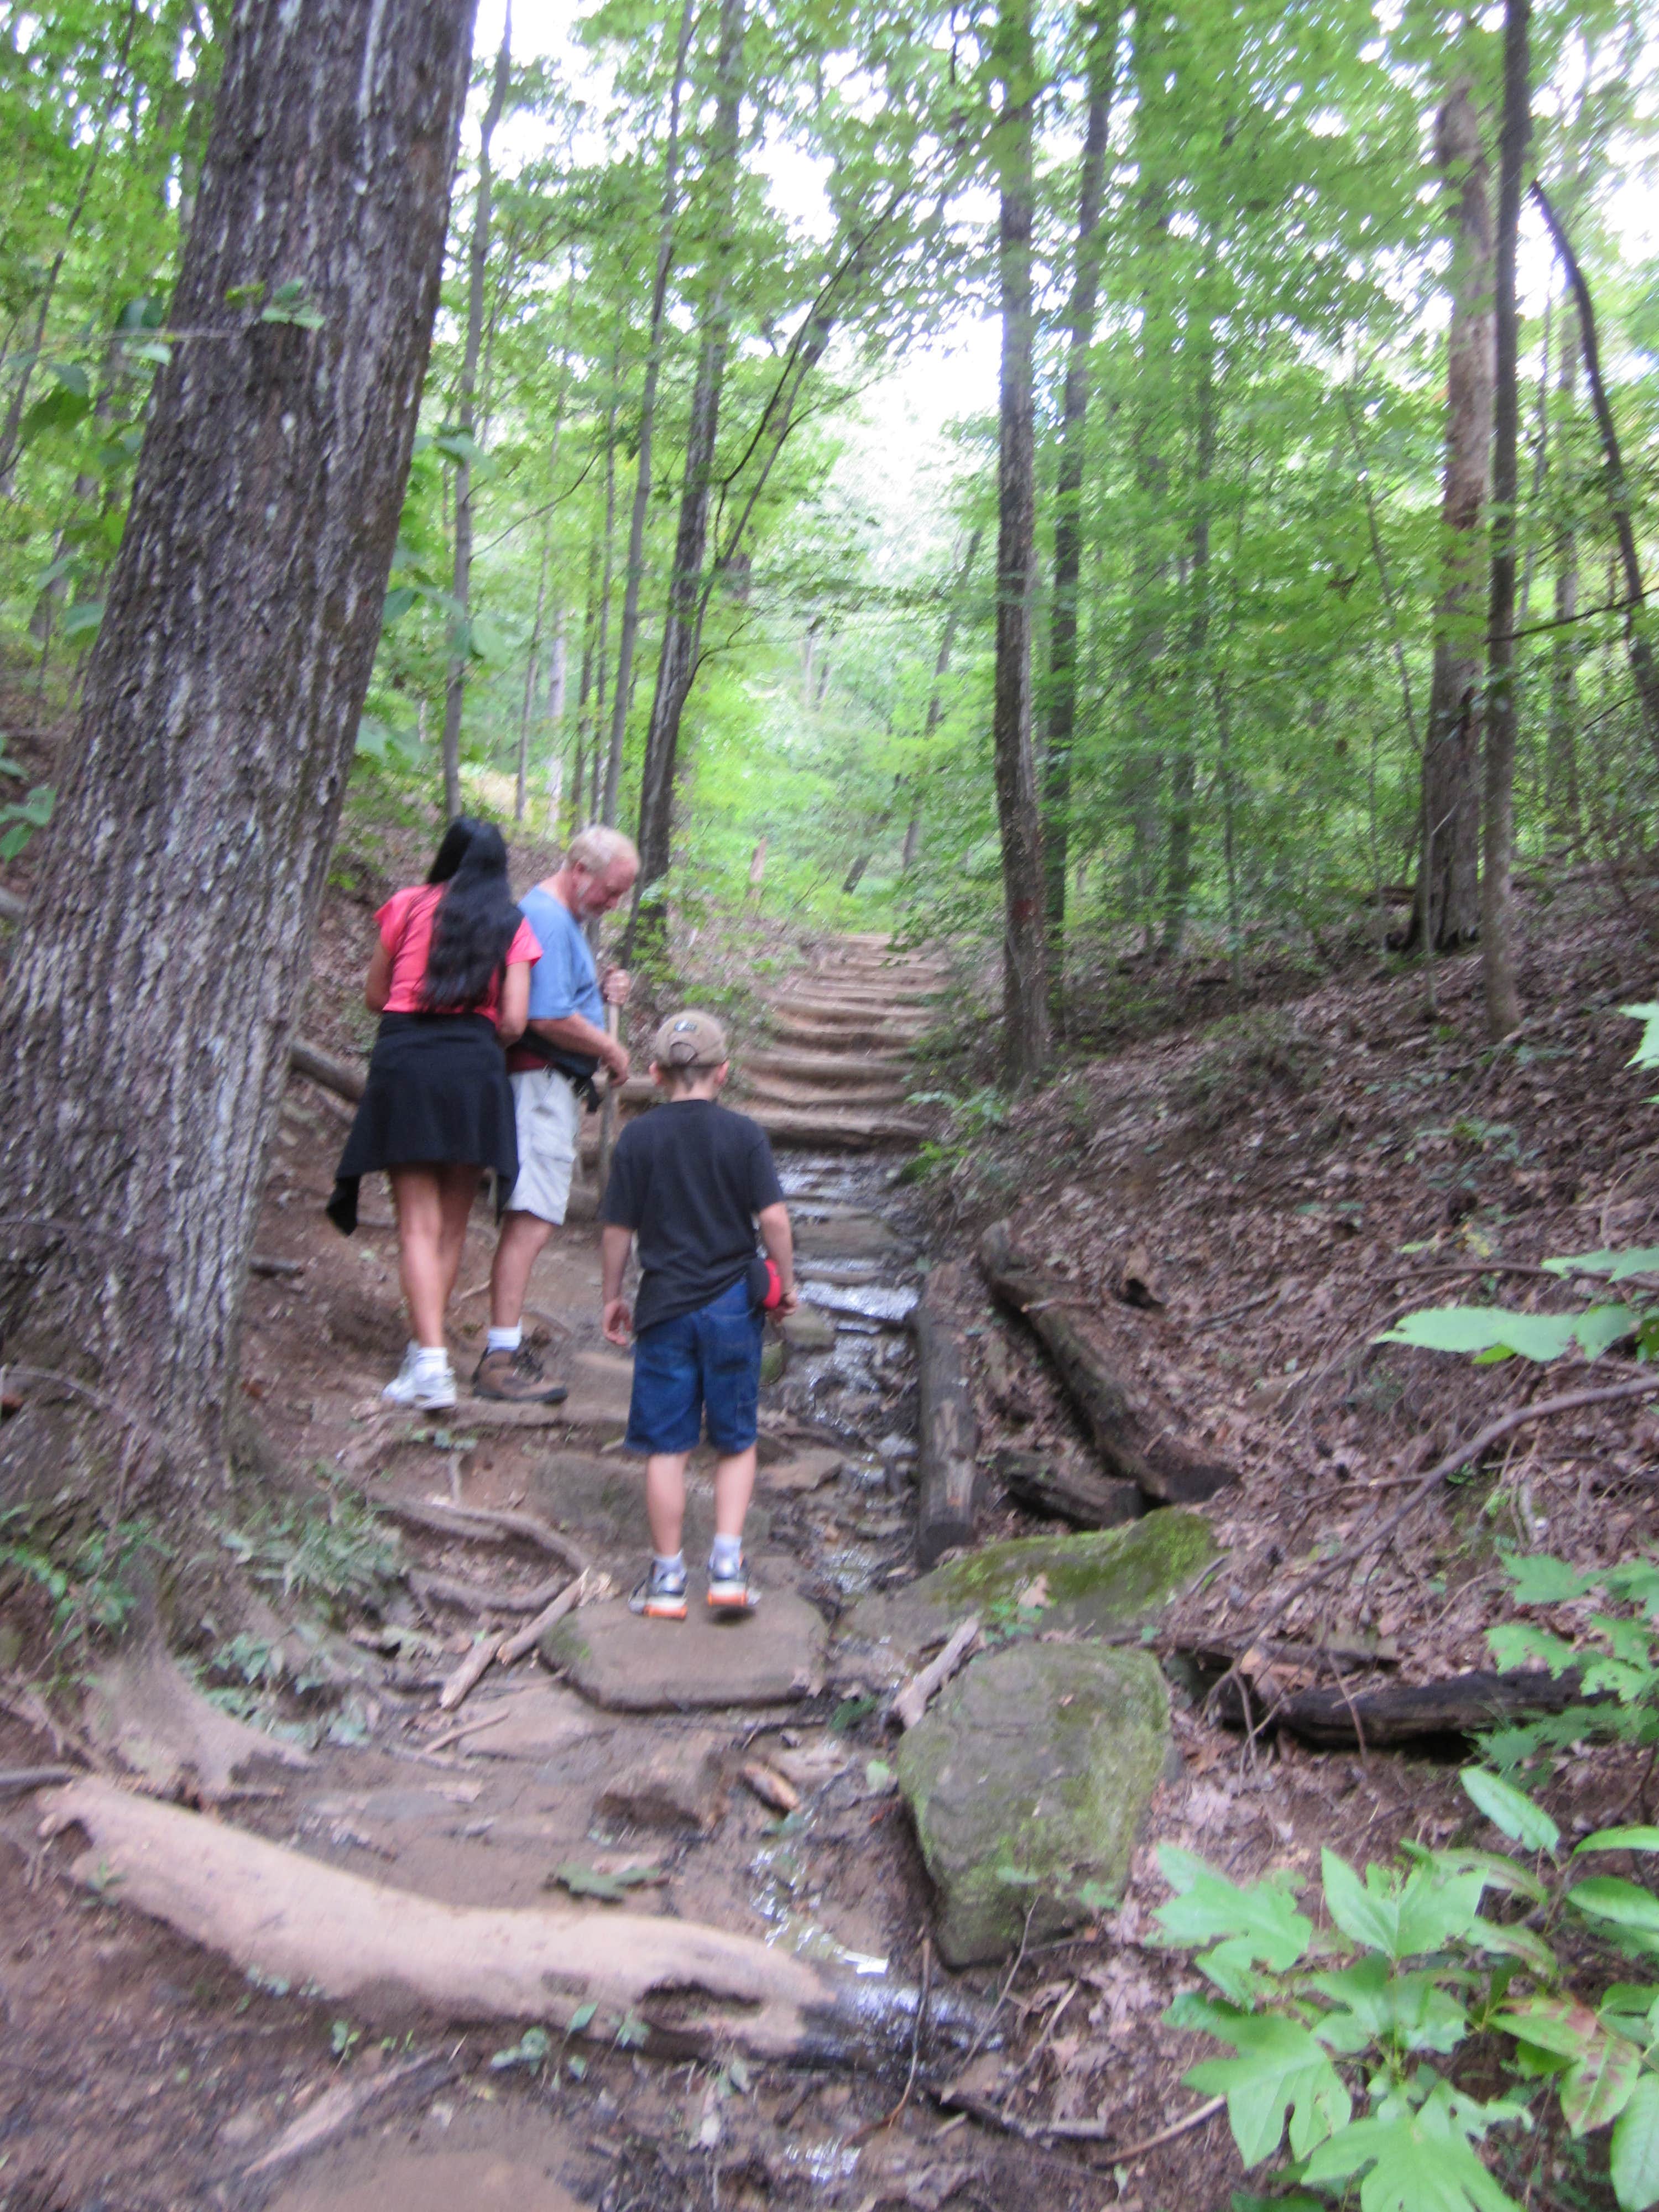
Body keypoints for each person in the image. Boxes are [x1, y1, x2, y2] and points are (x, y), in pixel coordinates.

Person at [327, 818, 540, 1412]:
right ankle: (429, 1358)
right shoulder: (512, 922)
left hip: (407, 1062)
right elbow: (517, 1022)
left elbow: (376, 995)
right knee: (448, 1228)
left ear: (445, 856)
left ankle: (430, 1363)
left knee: (415, 1226)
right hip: (475, 1068)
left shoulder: (407, 904)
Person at [599, 1009, 799, 1620]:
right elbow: (773, 1220)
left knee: (668, 1443)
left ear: (656, 1072)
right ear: (724, 1073)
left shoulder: (638, 1138)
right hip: (732, 1308)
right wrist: (785, 1283)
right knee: (736, 1440)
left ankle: (665, 1580)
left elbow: (617, 1227)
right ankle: (728, 1569)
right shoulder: (743, 1136)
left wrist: (613, 1294)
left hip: (663, 1308)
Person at [475, 825, 639, 1403]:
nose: (614, 904)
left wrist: (599, 985)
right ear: (580, 870)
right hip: (537, 1085)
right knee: (531, 1218)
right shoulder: (544, 914)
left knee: (536, 1216)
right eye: (611, 891)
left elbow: (562, 992)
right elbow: (543, 1016)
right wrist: (609, 1047)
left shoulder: (565, 923)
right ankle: (499, 1358)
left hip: (550, 1087)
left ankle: (504, 1347)